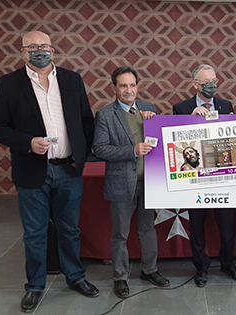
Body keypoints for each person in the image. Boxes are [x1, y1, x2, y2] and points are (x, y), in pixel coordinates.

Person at [0, 31, 98, 312]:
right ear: (23, 51)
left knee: (70, 229)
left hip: (68, 169)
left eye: (44, 46)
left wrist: (82, 153)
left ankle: (75, 277)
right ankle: (36, 286)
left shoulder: (71, 79)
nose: (40, 50)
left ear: (53, 49)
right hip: (32, 170)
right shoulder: (7, 84)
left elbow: (86, 121)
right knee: (35, 233)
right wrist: (27, 143)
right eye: (33, 47)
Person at [93, 67, 170, 299]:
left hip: (149, 182)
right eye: (123, 85)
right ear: (114, 88)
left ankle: (149, 270)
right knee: (121, 234)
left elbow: (159, 140)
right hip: (121, 184)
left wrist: (152, 123)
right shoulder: (105, 114)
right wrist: (132, 150)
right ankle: (120, 277)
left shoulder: (149, 109)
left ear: (138, 86)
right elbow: (100, 149)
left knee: (148, 229)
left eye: (132, 85)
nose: (128, 90)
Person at [173, 64, 236, 287]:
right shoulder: (181, 108)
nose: (212, 85)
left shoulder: (226, 105)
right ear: (195, 85)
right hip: (195, 180)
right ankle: (201, 266)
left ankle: (228, 263)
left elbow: (235, 142)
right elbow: (175, 140)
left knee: (227, 223)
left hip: (222, 177)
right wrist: (190, 120)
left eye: (215, 80)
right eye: (207, 82)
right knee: (197, 224)